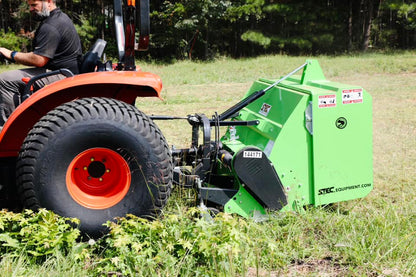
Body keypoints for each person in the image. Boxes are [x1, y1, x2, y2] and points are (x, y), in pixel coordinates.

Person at [0, 0, 82, 126]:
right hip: (64, 71)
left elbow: (39, 60)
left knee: (5, 80)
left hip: (63, 75)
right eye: (29, 6)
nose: (31, 9)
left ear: (49, 2)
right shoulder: (60, 17)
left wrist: (11, 54)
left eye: (34, 5)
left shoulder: (51, 25)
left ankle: (10, 127)